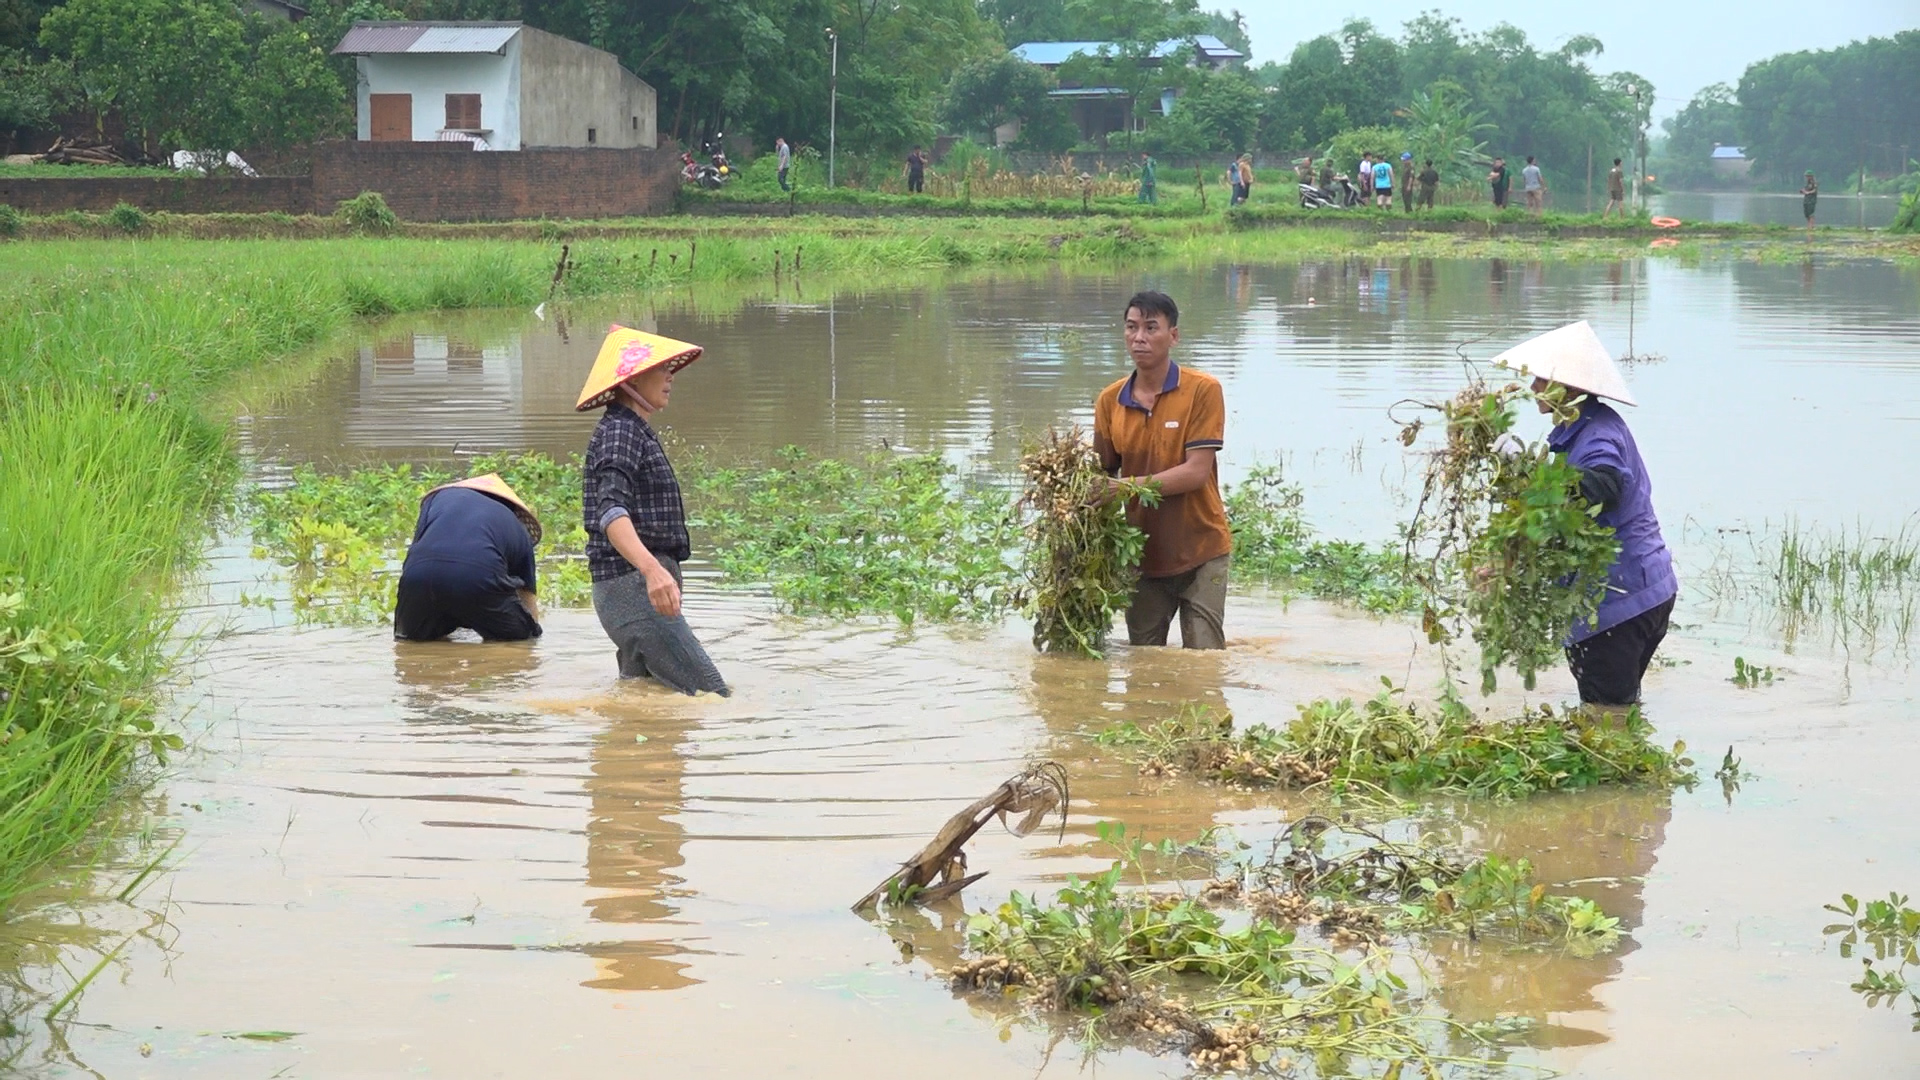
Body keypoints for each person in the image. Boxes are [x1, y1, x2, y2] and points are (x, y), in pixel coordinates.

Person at [1493, 321, 1676, 708]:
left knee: (1605, 715)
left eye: (1542, 380)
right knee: (1617, 706)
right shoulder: (1582, 427)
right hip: (1645, 590)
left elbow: (1603, 487)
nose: (1533, 389)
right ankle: (1629, 761)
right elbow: (1558, 515)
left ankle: (1617, 764)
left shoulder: (1598, 434)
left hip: (1618, 602)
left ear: (1570, 386)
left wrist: (1526, 466)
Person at [578, 325, 730, 696]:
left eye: (670, 368)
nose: (669, 377)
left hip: (631, 590)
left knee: (642, 700)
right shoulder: (621, 432)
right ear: (630, 380)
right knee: (712, 697)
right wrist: (652, 571)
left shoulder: (632, 430)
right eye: (659, 368)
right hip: (632, 588)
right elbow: (611, 512)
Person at [1092, 290, 1232, 649]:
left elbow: (1195, 473)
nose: (1139, 337)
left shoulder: (1203, 390)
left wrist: (1123, 489)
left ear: (1173, 336)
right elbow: (1101, 476)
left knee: (1203, 663)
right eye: (1131, 327)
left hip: (1202, 550)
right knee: (1143, 661)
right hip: (1143, 557)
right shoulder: (1110, 401)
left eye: (1151, 327)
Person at [394, 474, 543, 642]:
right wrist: (532, 631)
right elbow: (527, 598)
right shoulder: (517, 528)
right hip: (477, 576)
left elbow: (418, 548)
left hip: (417, 576)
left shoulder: (437, 500)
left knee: (409, 642)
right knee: (522, 640)